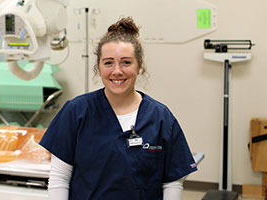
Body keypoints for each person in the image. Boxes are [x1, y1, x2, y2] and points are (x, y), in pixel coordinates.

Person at [39, 16, 197, 200]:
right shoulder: (76, 112)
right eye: (108, 63)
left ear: (139, 67)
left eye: (126, 62)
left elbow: (172, 182)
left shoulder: (161, 117)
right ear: (98, 68)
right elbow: (60, 178)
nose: (117, 71)